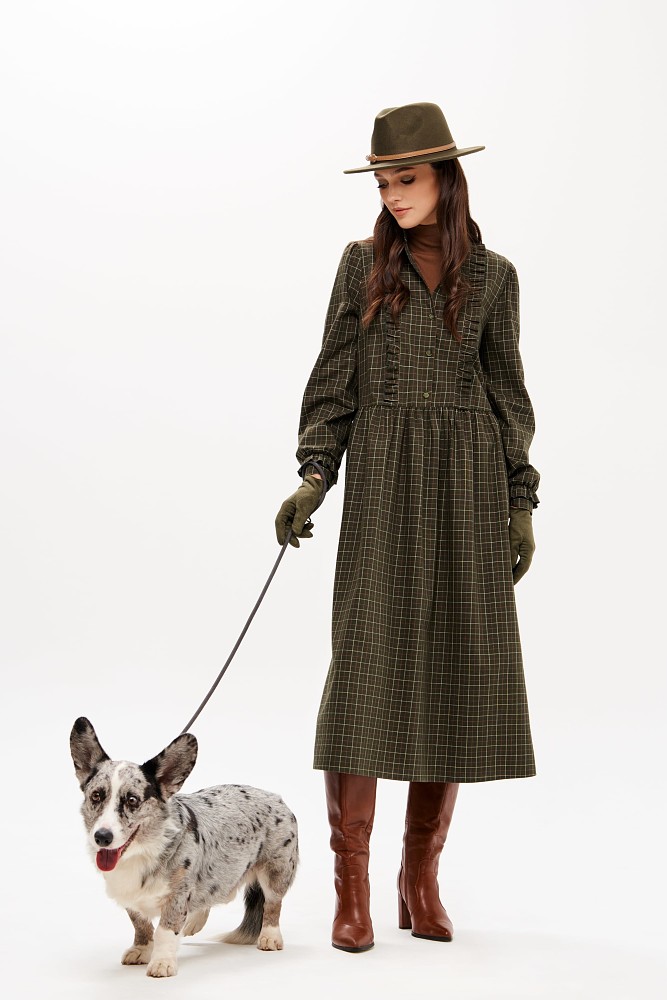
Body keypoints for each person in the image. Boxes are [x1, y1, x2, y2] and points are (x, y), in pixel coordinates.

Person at [275, 102, 540, 953]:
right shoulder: (361, 267)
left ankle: (417, 879)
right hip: (385, 486)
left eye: (407, 178)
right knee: (364, 673)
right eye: (383, 181)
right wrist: (314, 476)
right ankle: (349, 887)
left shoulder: (494, 277)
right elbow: (333, 380)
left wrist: (520, 500)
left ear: (444, 179)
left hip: (467, 485)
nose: (392, 194)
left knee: (453, 673)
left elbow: (507, 393)